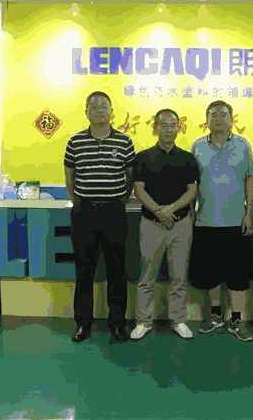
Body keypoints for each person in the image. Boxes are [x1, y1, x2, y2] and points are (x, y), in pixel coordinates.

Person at [64, 91, 136, 344]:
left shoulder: (124, 142)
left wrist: (119, 200)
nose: (99, 110)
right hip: (84, 213)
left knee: (117, 270)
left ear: (112, 112)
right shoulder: (75, 142)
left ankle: (117, 324)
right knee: (84, 270)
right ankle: (83, 323)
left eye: (104, 106)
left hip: (113, 213)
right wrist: (78, 201)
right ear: (86, 112)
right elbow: (69, 176)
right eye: (93, 106)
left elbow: (130, 176)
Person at [189, 100, 253, 342]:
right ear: (207, 120)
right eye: (213, 114)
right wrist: (191, 212)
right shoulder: (197, 146)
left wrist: (249, 213)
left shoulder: (243, 145)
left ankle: (236, 319)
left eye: (223, 114)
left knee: (238, 276)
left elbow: (250, 179)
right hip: (206, 221)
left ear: (231, 118)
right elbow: (192, 183)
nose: (218, 118)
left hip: (236, 221)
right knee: (211, 274)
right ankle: (216, 316)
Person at [130, 109, 199, 340]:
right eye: (164, 125)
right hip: (151, 224)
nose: (169, 129)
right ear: (155, 128)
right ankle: (143, 321)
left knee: (179, 275)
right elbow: (138, 189)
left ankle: (178, 320)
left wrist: (170, 210)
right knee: (147, 275)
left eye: (173, 125)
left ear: (178, 128)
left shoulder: (187, 158)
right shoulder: (143, 157)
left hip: (180, 224)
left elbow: (192, 190)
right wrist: (159, 212)